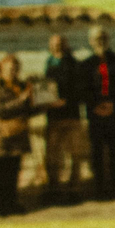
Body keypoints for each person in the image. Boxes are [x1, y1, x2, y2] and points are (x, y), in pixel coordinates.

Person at [0, 53, 35, 215]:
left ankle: (12, 202)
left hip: (18, 135)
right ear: (2, 70)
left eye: (15, 69)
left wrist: (41, 103)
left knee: (14, 171)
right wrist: (21, 100)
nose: (13, 72)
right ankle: (0, 206)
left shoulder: (21, 86)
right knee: (0, 173)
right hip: (1, 137)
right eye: (9, 69)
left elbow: (28, 109)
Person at [42, 33, 90, 204]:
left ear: (65, 44)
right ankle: (54, 189)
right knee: (53, 157)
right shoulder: (48, 64)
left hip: (71, 116)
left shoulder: (74, 64)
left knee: (74, 155)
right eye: (54, 44)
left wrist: (67, 100)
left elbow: (82, 89)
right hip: (54, 117)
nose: (57, 46)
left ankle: (74, 190)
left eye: (60, 43)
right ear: (50, 46)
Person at [83, 26, 115, 199]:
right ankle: (100, 189)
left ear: (107, 40)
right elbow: (83, 90)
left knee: (114, 152)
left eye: (103, 38)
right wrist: (95, 106)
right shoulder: (86, 64)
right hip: (95, 115)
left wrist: (114, 106)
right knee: (97, 154)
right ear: (91, 42)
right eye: (96, 38)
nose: (100, 41)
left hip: (114, 114)